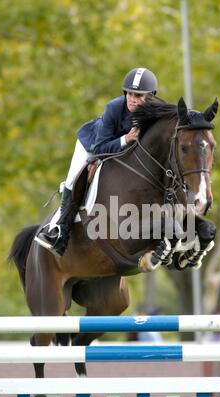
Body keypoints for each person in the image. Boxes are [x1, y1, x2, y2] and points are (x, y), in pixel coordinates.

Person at [35, 67, 158, 256]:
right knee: (73, 180)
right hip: (92, 145)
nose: (132, 99)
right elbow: (100, 148)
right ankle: (59, 231)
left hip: (119, 153)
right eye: (130, 94)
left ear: (149, 97)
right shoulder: (114, 107)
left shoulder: (152, 115)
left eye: (139, 95)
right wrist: (126, 140)